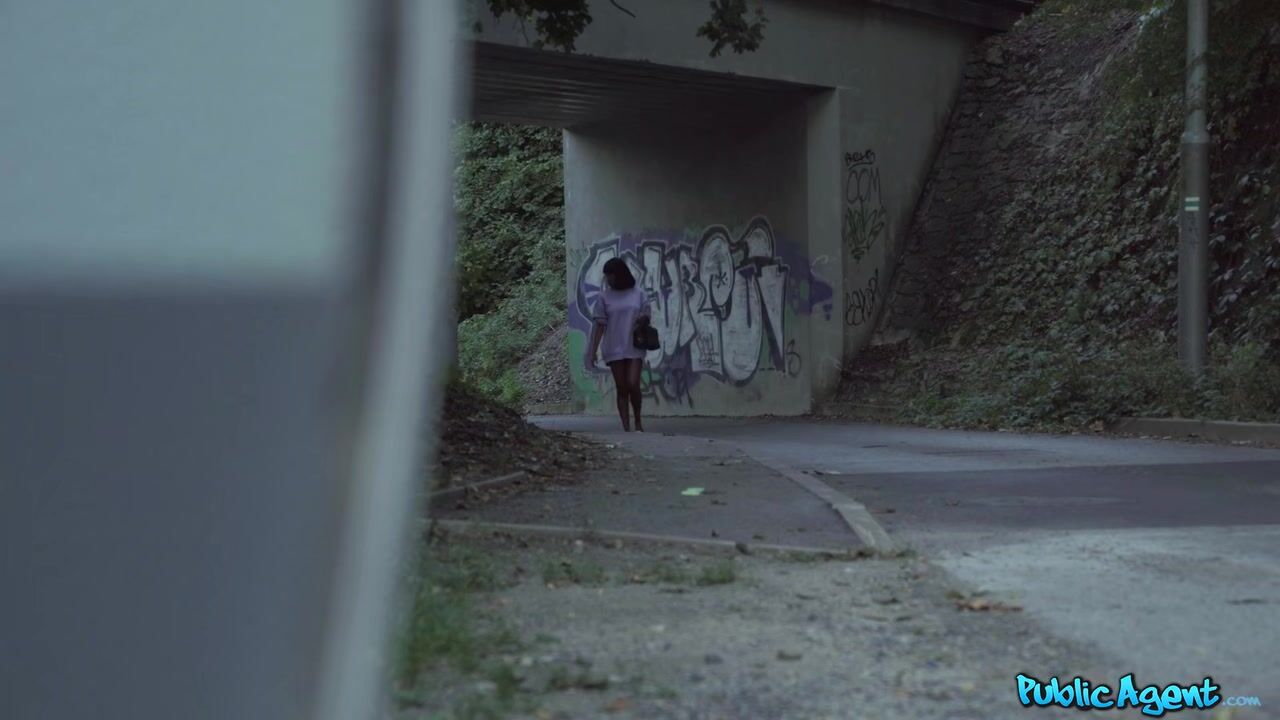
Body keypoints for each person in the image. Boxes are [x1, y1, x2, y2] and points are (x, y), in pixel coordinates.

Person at [584, 258, 651, 432]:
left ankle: (638, 421)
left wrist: (643, 318)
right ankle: (626, 427)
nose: (608, 279)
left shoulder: (638, 293)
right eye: (606, 276)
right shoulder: (604, 296)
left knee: (633, 384)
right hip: (614, 347)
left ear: (620, 274)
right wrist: (592, 351)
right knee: (622, 387)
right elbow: (599, 325)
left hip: (634, 345)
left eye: (610, 275)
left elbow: (647, 313)